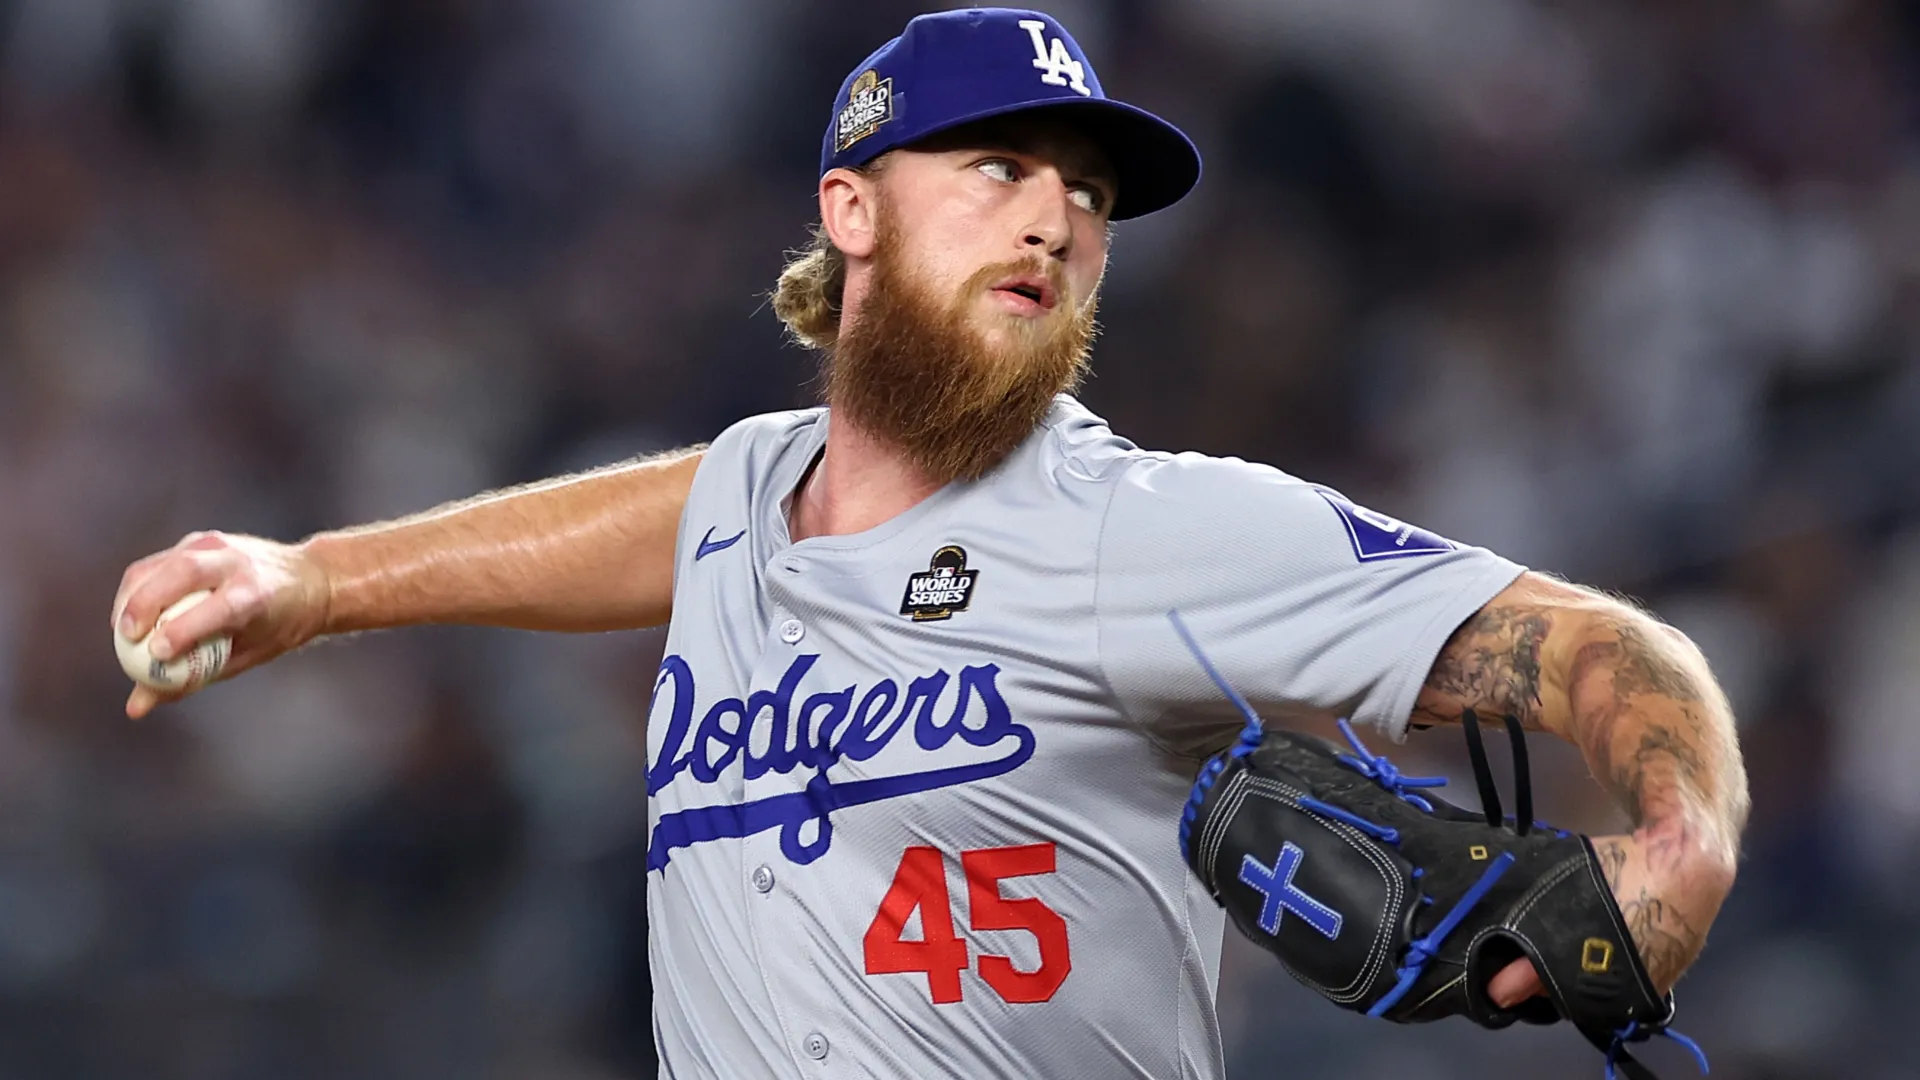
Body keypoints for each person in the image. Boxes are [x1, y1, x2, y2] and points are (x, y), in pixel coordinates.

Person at [111, 8, 1748, 1079]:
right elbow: (654, 522)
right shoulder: (746, 496)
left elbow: (1613, 651)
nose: (1057, 218)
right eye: (998, 168)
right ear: (853, 213)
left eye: (1089, 195)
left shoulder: (1151, 530)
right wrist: (316, 583)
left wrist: (1682, 846)